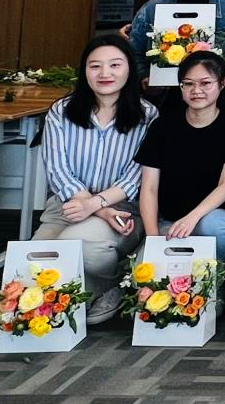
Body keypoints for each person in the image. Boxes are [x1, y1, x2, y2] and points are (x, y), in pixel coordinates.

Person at [34, 36, 157, 324]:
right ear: (84, 70)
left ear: (129, 69)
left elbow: (135, 178)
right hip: (66, 206)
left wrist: (97, 205)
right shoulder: (61, 111)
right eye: (95, 66)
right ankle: (99, 286)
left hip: (122, 210)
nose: (105, 73)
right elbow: (58, 171)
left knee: (77, 245)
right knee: (37, 265)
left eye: (115, 65)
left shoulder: (147, 115)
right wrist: (95, 207)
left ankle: (115, 282)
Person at [136, 51, 225, 263]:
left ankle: (217, 276)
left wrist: (191, 218)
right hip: (169, 221)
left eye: (206, 83)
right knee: (145, 273)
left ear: (223, 83)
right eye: (188, 84)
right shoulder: (162, 126)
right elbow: (149, 188)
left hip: (213, 216)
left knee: (215, 226)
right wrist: (153, 238)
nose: (196, 91)